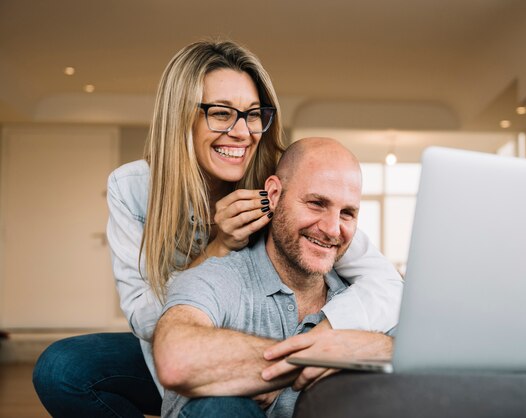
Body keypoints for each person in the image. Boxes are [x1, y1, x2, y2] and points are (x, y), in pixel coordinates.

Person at [33, 41, 402, 417]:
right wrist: (218, 246)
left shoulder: (285, 185)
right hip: (183, 341)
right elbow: (147, 319)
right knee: (63, 369)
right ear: (181, 118)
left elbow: (386, 285)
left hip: (269, 335)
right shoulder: (134, 189)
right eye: (221, 113)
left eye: (253, 114)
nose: (242, 133)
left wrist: (325, 339)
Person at [154, 137, 395, 418]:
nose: (332, 229)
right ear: (274, 194)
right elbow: (177, 359)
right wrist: (321, 354)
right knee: (219, 405)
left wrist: (378, 347)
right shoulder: (220, 277)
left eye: (347, 213)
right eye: (316, 203)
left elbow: (430, 359)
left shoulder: (364, 302)